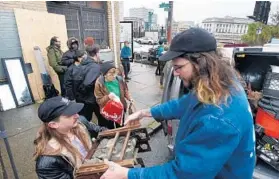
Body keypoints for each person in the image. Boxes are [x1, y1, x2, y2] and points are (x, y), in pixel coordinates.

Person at [100, 28, 256, 179]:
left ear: (201, 63)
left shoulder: (218, 120)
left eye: (179, 67)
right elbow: (185, 103)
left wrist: (127, 174)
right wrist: (146, 113)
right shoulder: (219, 83)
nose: (175, 73)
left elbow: (182, 174)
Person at [34, 96, 92, 179]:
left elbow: (100, 130)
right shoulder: (48, 162)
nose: (77, 116)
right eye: (69, 115)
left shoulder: (80, 124)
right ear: (53, 124)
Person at [94, 62, 133, 129]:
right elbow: (99, 101)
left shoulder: (119, 79)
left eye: (115, 73)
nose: (114, 76)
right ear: (104, 75)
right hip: (109, 110)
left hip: (120, 108)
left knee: (120, 126)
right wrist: (108, 97)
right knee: (110, 127)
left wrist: (129, 98)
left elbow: (125, 90)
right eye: (111, 74)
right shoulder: (99, 83)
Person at [75, 44, 106, 123]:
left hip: (83, 99)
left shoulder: (83, 63)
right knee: (102, 120)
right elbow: (87, 83)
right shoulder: (95, 67)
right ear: (96, 53)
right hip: (91, 99)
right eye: (99, 53)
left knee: (84, 121)